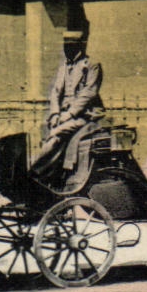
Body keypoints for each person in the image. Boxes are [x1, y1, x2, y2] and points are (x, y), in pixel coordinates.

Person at [31, 36, 104, 189]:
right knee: (42, 131)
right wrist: (55, 114)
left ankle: (35, 173)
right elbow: (56, 92)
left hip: (84, 116)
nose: (66, 48)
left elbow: (89, 93)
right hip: (64, 115)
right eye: (65, 45)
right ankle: (52, 176)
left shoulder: (91, 65)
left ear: (79, 46)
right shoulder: (64, 66)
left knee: (57, 133)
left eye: (70, 45)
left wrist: (69, 114)